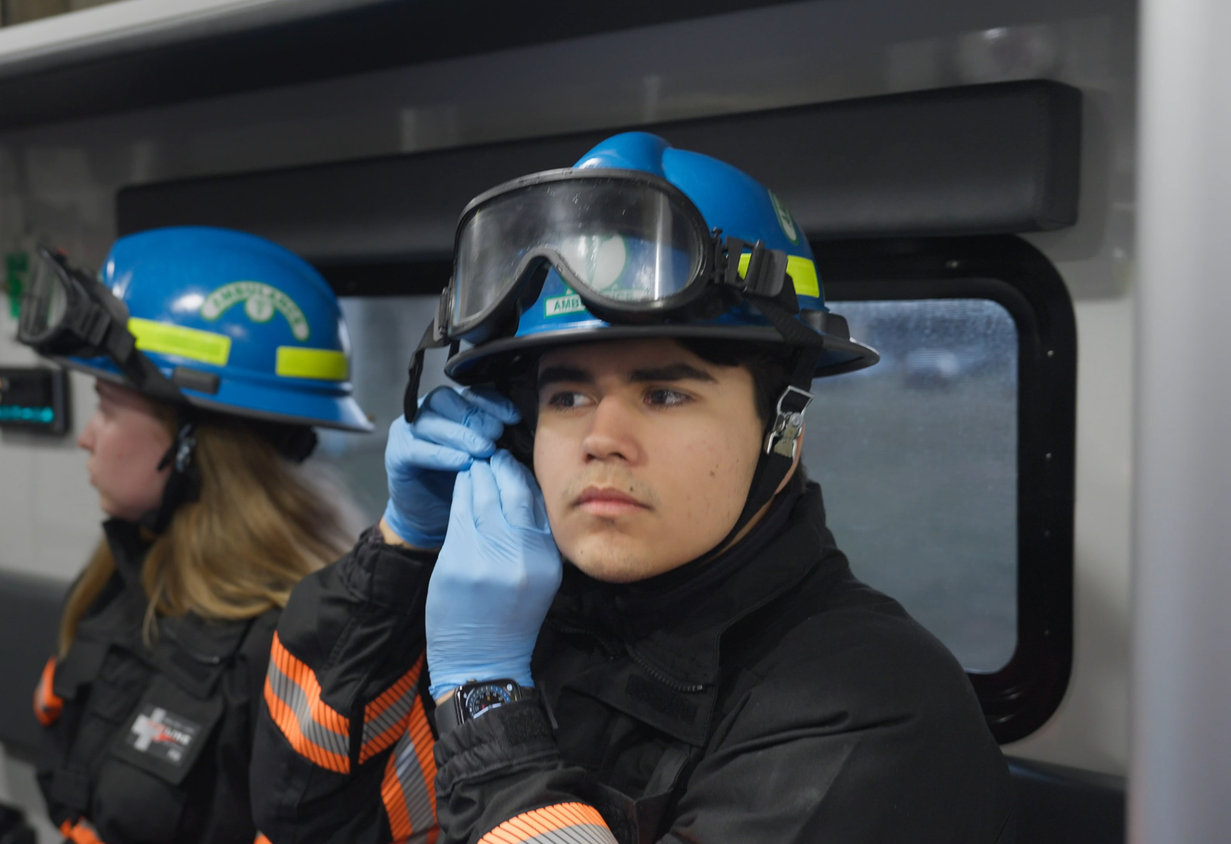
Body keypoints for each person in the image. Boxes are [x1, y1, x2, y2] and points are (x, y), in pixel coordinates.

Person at [250, 133, 1017, 843]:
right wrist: (396, 560)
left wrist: (488, 704)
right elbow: (302, 818)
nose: (600, 438)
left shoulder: (874, 709)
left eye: (665, 394)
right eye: (568, 397)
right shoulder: (513, 617)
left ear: (785, 426)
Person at [19, 226, 372, 844]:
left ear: (194, 442)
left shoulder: (293, 646)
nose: (87, 436)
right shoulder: (135, 566)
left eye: (106, 405)